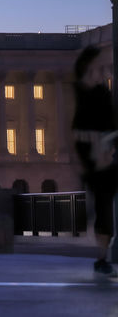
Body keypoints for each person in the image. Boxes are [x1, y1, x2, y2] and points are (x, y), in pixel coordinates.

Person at [72, 45, 118, 278]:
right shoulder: (80, 94)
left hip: (104, 155)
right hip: (93, 159)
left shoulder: (102, 93)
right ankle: (101, 255)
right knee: (103, 206)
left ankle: (101, 254)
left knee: (103, 206)